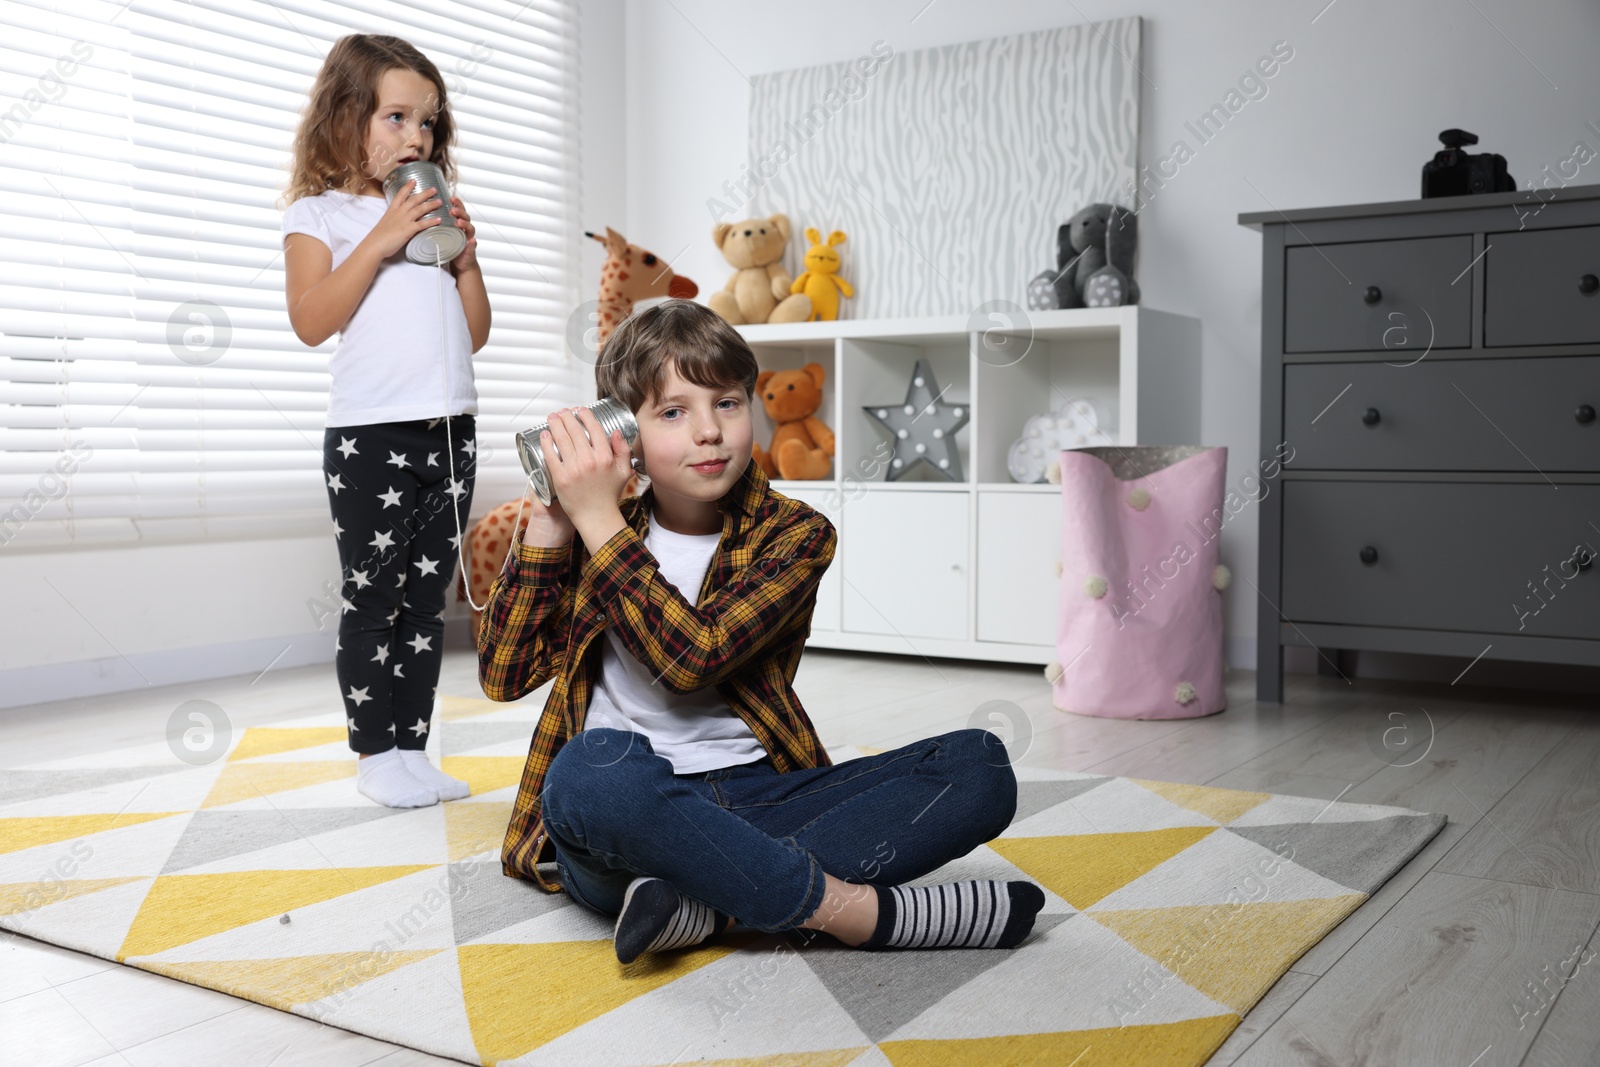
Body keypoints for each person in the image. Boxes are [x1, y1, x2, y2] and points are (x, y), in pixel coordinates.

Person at [478, 300, 1044, 963]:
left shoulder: (795, 534)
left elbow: (694, 656)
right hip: (627, 821)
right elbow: (502, 675)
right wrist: (552, 520)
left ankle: (706, 904)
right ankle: (857, 913)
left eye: (727, 403)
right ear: (623, 435)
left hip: (755, 796)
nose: (709, 432)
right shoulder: (597, 524)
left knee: (978, 766)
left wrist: (597, 519)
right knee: (586, 772)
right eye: (672, 412)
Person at [281, 35, 491, 809]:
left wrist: (464, 258)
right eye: (397, 116)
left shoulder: (433, 222)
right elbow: (312, 318)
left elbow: (471, 332)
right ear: (345, 119)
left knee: (428, 600)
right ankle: (374, 754)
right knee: (374, 598)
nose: (416, 137)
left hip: (449, 431)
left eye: (428, 123)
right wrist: (383, 235)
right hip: (371, 436)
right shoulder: (320, 215)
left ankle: (412, 746)